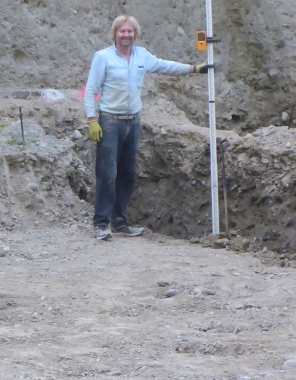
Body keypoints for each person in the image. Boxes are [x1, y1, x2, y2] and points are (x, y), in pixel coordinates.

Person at [84, 15, 213, 240]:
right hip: (110, 121)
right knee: (107, 173)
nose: (126, 35)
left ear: (136, 34)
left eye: (130, 31)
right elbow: (90, 89)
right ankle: (101, 223)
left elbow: (165, 66)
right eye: (122, 31)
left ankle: (120, 221)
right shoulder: (103, 57)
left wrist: (194, 69)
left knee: (128, 173)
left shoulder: (141, 55)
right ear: (115, 33)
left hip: (132, 121)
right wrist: (92, 120)